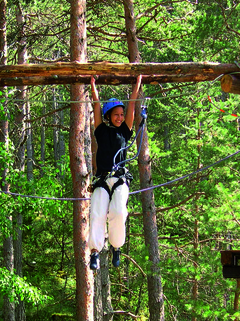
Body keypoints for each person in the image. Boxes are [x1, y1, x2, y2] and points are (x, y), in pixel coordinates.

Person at [88, 75, 142, 269]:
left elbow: (133, 106)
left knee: (119, 212)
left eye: (121, 114)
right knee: (97, 212)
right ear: (108, 115)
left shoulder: (125, 131)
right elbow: (96, 105)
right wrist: (93, 86)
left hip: (119, 179)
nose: (120, 118)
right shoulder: (101, 131)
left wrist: (136, 85)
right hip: (102, 179)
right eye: (116, 114)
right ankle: (95, 252)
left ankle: (116, 246)